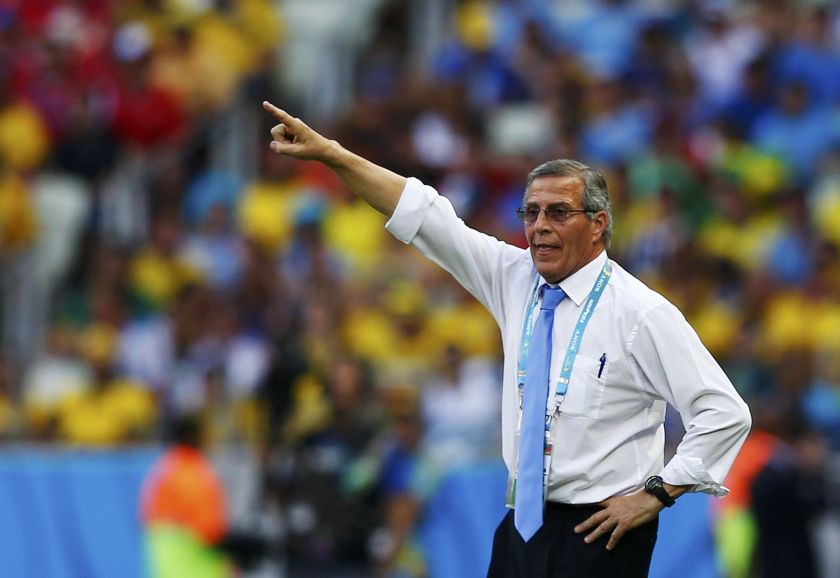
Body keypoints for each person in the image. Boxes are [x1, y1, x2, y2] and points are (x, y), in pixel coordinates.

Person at [262, 101, 751, 578]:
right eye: (531, 212)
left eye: (558, 213)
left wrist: (656, 494)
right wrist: (332, 155)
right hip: (521, 523)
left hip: (601, 529)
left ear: (598, 223)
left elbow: (724, 412)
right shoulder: (513, 278)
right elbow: (422, 214)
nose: (540, 227)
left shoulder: (640, 312)